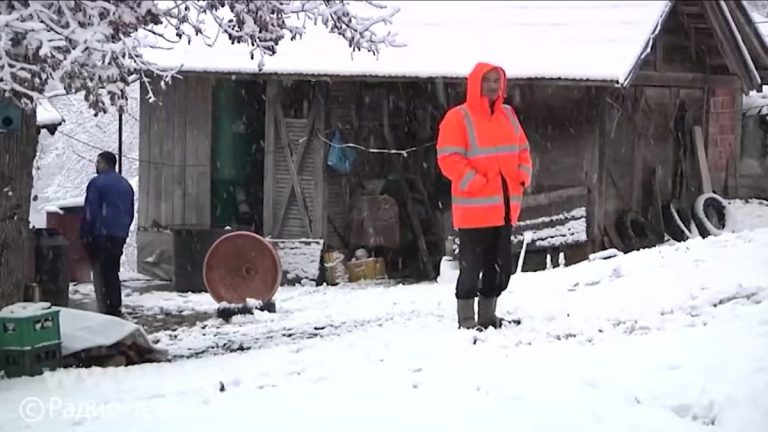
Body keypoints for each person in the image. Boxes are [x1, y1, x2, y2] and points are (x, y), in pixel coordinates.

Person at [436, 62, 533, 330]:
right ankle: (467, 320)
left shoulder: (508, 115)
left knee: (500, 268)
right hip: (473, 211)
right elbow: (448, 158)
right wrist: (475, 182)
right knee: (471, 268)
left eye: (496, 80)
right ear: (476, 84)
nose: (493, 85)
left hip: (504, 209)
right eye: (487, 80)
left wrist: (522, 175)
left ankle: (488, 317)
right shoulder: (458, 117)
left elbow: (523, 150)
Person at [79, 151, 135, 317]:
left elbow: (91, 211)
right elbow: (130, 212)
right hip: (118, 234)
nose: (96, 166)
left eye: (98, 162)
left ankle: (104, 308)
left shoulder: (97, 183)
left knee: (101, 270)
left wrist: (84, 233)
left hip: (100, 234)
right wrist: (122, 231)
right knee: (112, 270)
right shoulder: (126, 185)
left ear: (103, 164)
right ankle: (114, 305)